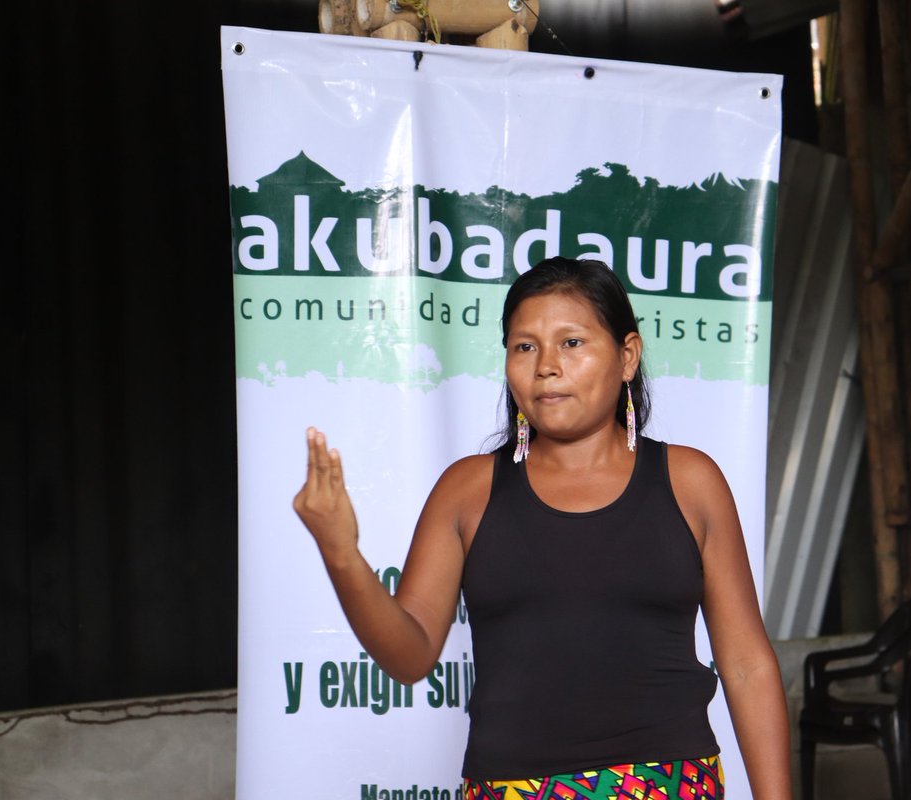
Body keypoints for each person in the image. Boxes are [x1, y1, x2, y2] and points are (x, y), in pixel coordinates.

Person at [293, 256, 791, 799]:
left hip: (667, 784)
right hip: (508, 788)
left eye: (572, 343)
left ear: (627, 356)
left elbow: (746, 665)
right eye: (524, 346)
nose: (546, 366)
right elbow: (409, 658)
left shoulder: (691, 482)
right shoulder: (468, 490)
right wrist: (342, 554)